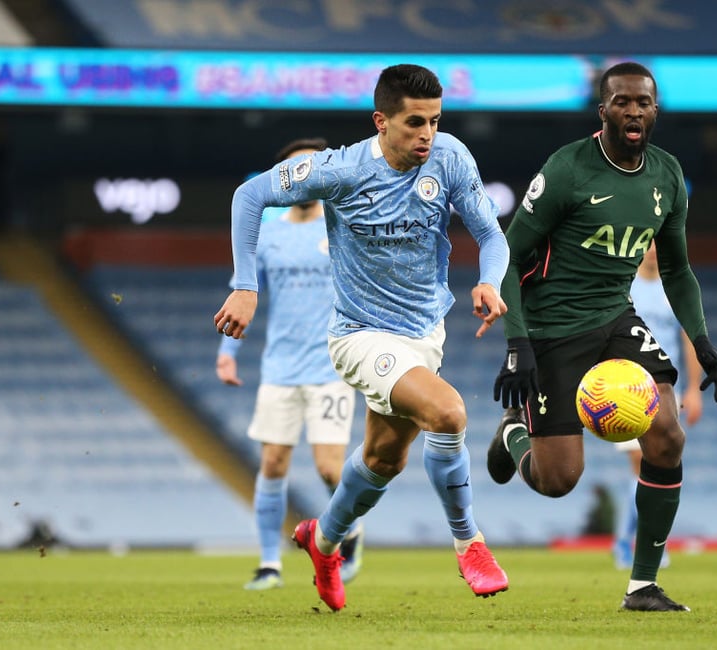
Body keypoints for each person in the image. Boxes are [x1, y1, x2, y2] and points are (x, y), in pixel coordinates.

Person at [214, 64, 511, 612]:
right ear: (381, 121)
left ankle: (322, 543)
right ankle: (470, 543)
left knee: (383, 458)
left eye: (436, 121)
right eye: (414, 122)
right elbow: (248, 197)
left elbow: (491, 234)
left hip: (424, 333)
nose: (427, 134)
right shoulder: (339, 170)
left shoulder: (449, 158)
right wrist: (244, 286)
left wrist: (489, 280)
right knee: (447, 413)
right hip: (359, 335)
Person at [486, 61, 717, 612]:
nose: (634, 110)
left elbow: (678, 271)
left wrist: (704, 341)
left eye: (643, 102)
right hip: (552, 328)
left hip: (617, 318)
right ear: (604, 111)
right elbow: (508, 256)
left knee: (666, 437)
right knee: (559, 480)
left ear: (655, 110)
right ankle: (512, 435)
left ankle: (642, 586)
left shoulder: (666, 175)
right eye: (622, 102)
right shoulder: (567, 170)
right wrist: (518, 343)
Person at [216, 137, 365, 590]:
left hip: (332, 367)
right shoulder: (267, 232)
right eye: (294, 171)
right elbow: (243, 296)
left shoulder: (342, 226)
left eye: (311, 169)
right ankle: (268, 563)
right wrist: (227, 354)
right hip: (280, 367)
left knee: (328, 468)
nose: (304, 178)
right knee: (273, 464)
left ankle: (349, 531)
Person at [611, 241, 703, 571]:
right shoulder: (624, 284)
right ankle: (630, 543)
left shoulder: (673, 285)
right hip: (627, 389)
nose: (652, 250)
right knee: (642, 465)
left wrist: (693, 388)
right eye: (647, 244)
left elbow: (690, 338)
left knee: (660, 466)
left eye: (656, 245)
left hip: (667, 389)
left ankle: (639, 542)